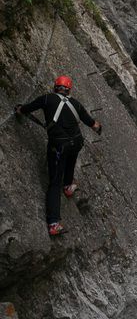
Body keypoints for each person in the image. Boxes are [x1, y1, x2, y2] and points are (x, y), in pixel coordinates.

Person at [15, 76, 102, 236]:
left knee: (54, 183)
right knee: (71, 159)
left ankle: (54, 223)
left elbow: (27, 108)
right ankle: (68, 186)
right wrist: (98, 127)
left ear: (55, 87)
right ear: (69, 90)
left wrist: (19, 110)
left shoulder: (47, 99)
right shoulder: (75, 104)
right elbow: (93, 124)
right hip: (76, 142)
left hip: (59, 146)